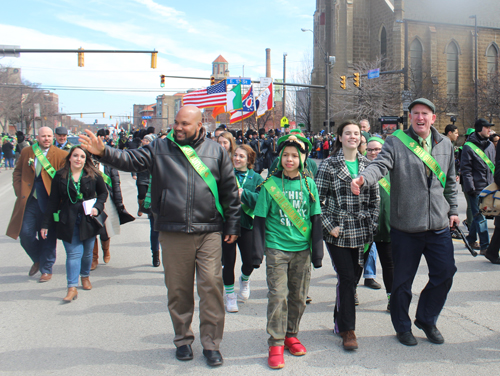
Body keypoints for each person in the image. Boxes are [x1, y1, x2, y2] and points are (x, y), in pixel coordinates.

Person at [79, 105, 240, 367]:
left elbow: (230, 191)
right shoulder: (159, 147)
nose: (178, 127)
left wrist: (232, 225)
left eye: (185, 124)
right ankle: (183, 340)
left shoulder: (216, 152)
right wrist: (104, 152)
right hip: (173, 230)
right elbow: (129, 159)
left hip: (209, 230)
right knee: (178, 290)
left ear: (200, 125)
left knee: (211, 287)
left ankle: (211, 344)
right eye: (177, 122)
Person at [351, 98, 459, 347]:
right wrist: (363, 179)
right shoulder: (396, 142)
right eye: (415, 113)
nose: (420, 118)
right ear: (410, 117)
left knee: (445, 273)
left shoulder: (445, 144)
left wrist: (453, 210)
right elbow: (380, 165)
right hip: (406, 227)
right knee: (402, 283)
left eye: (425, 113)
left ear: (433, 118)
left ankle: (426, 318)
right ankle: (402, 326)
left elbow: (451, 181)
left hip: (438, 226)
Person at [253, 134, 323, 369]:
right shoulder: (269, 186)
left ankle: (292, 334)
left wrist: (318, 253)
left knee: (298, 296)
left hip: (302, 250)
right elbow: (260, 221)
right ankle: (276, 342)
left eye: (295, 155)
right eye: (286, 155)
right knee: (278, 296)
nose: (290, 159)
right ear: (280, 157)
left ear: (303, 158)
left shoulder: (308, 184)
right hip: (277, 250)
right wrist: (257, 252)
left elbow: (315, 219)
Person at [316, 120, 379, 351]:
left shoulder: (368, 165)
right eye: (347, 133)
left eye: (356, 133)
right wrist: (328, 224)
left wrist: (372, 224)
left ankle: (338, 318)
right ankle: (348, 330)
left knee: (352, 279)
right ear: (340, 137)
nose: (352, 136)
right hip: (338, 230)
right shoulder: (328, 165)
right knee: (346, 277)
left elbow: (375, 200)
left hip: (362, 231)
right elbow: (317, 199)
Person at [40, 146, 108, 302]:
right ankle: (71, 288)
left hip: (89, 219)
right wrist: (45, 224)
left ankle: (85, 276)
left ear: (86, 159)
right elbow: (53, 202)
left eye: (82, 157)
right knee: (73, 254)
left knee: (87, 254)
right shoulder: (60, 176)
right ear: (69, 158)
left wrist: (97, 208)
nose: (79, 159)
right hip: (68, 220)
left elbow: (103, 193)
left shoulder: (93, 174)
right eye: (75, 156)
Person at [6, 127, 68, 282]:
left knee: (48, 236)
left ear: (52, 137)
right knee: (25, 234)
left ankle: (46, 269)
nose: (46, 139)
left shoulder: (61, 155)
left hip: (49, 202)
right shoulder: (27, 152)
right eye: (43, 136)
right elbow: (18, 172)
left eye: (48, 136)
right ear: (37, 137)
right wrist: (18, 190)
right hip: (30, 200)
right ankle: (38, 258)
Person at [222, 144, 263, 313]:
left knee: (250, 261)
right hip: (227, 224)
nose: (237, 159)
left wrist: (243, 194)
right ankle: (230, 295)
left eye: (241, 156)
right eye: (236, 155)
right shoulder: (225, 175)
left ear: (249, 160)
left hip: (247, 224)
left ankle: (244, 279)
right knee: (228, 262)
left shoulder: (257, 178)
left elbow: (261, 201)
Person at [91, 133, 135, 270]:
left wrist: (119, 201)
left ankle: (106, 249)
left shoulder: (108, 164)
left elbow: (115, 182)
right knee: (91, 229)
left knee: (104, 229)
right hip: (90, 199)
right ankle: (93, 257)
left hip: (106, 198)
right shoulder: (86, 161)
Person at [365, 137, 394, 310]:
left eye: (378, 149)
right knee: (356, 265)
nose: (374, 153)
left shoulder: (392, 170)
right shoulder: (361, 170)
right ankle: (350, 294)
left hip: (387, 227)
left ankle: (392, 298)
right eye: (370, 150)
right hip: (365, 228)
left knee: (389, 265)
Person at [461, 118, 496, 255]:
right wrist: (470, 188)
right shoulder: (469, 146)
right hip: (475, 188)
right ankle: (485, 247)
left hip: (489, 187)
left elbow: (492, 165)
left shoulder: (490, 146)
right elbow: (466, 169)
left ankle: (470, 238)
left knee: (478, 216)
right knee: (481, 217)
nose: (489, 130)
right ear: (480, 128)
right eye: (487, 127)